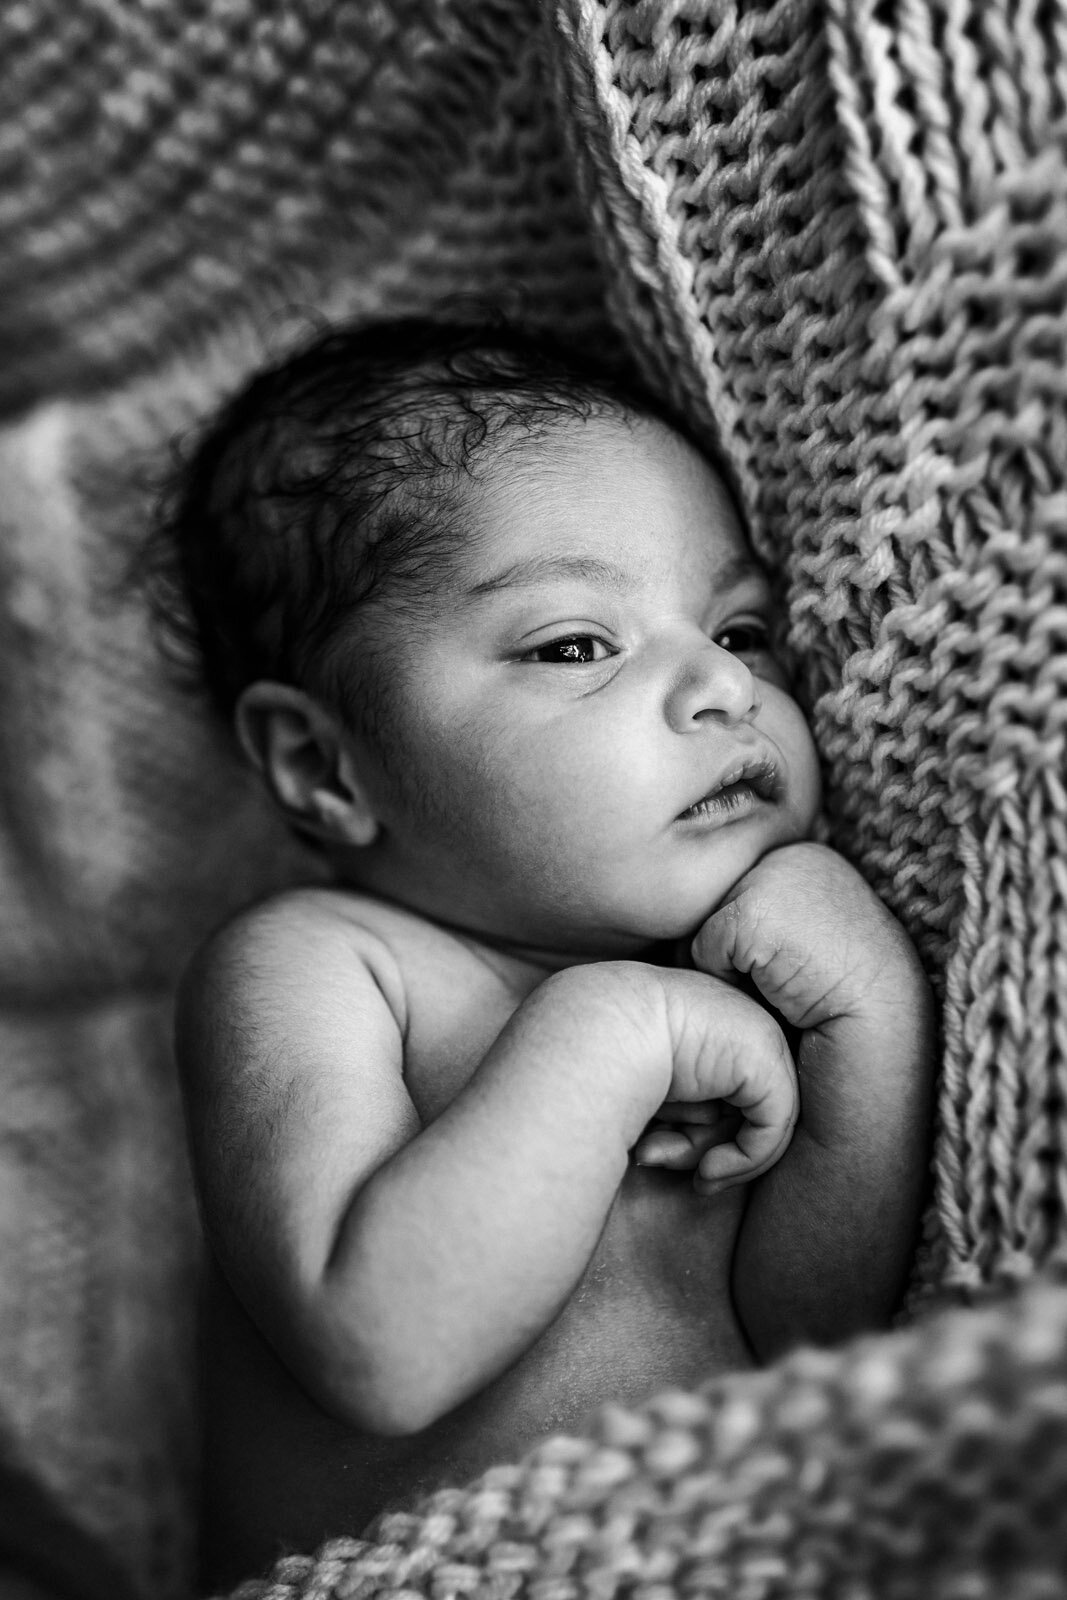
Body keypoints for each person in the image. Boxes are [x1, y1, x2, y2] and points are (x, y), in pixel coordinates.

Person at [159, 318, 936, 1582]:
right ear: (324, 765)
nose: (724, 691)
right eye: (576, 644)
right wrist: (614, 1032)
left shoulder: (718, 981)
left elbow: (808, 1337)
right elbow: (377, 1344)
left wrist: (869, 1020)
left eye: (738, 632)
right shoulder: (319, 965)